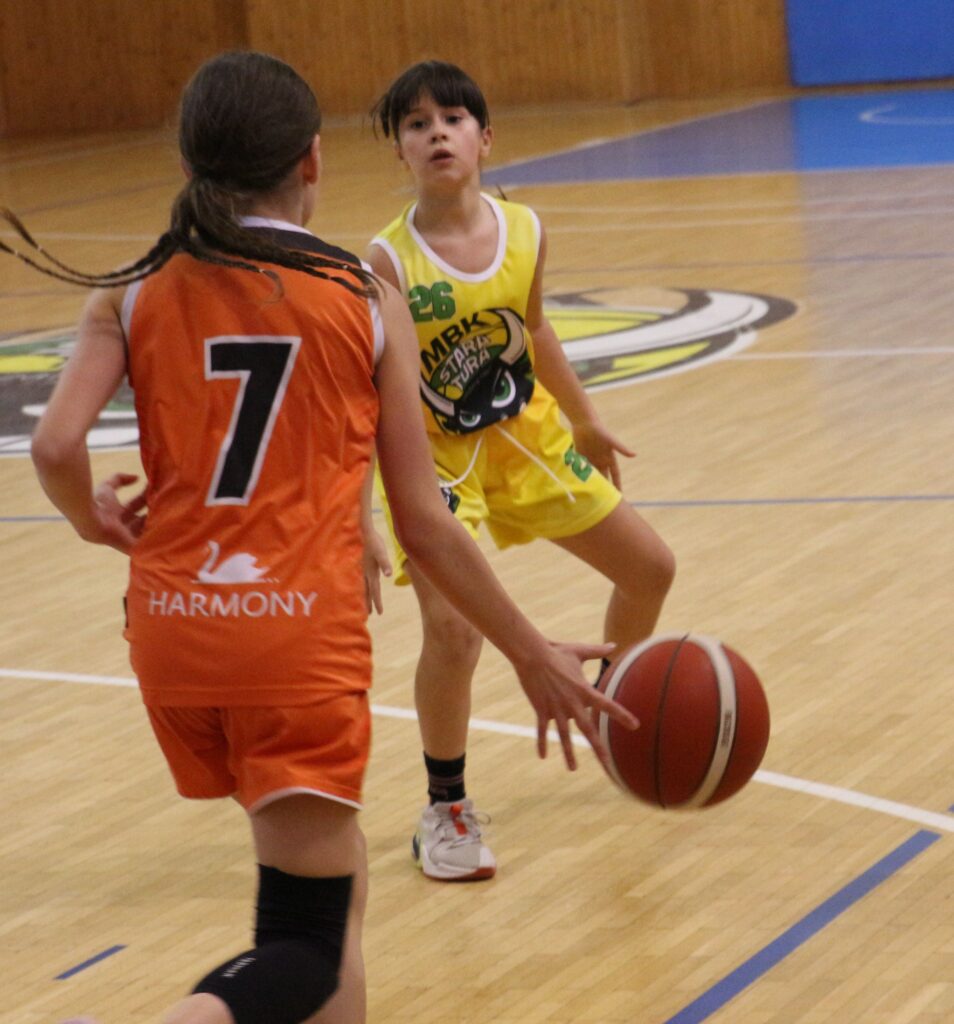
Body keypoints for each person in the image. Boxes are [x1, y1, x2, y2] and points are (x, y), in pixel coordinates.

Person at [13, 51, 635, 1024]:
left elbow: (55, 447)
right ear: (311, 160)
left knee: (333, 896)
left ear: (190, 164)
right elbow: (425, 522)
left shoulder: (132, 288)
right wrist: (530, 650)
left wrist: (90, 516)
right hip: (293, 637)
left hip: (170, 632)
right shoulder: (361, 295)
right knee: (305, 940)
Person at [366, 60, 675, 882]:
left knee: (651, 567)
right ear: (400, 150)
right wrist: (361, 514)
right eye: (417, 124)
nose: (437, 133)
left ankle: (607, 708)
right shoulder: (387, 261)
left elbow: (533, 329)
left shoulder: (526, 230)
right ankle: (445, 807)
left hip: (523, 436)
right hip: (436, 459)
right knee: (453, 630)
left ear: (486, 138)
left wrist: (585, 418)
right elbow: (370, 393)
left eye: (453, 118)